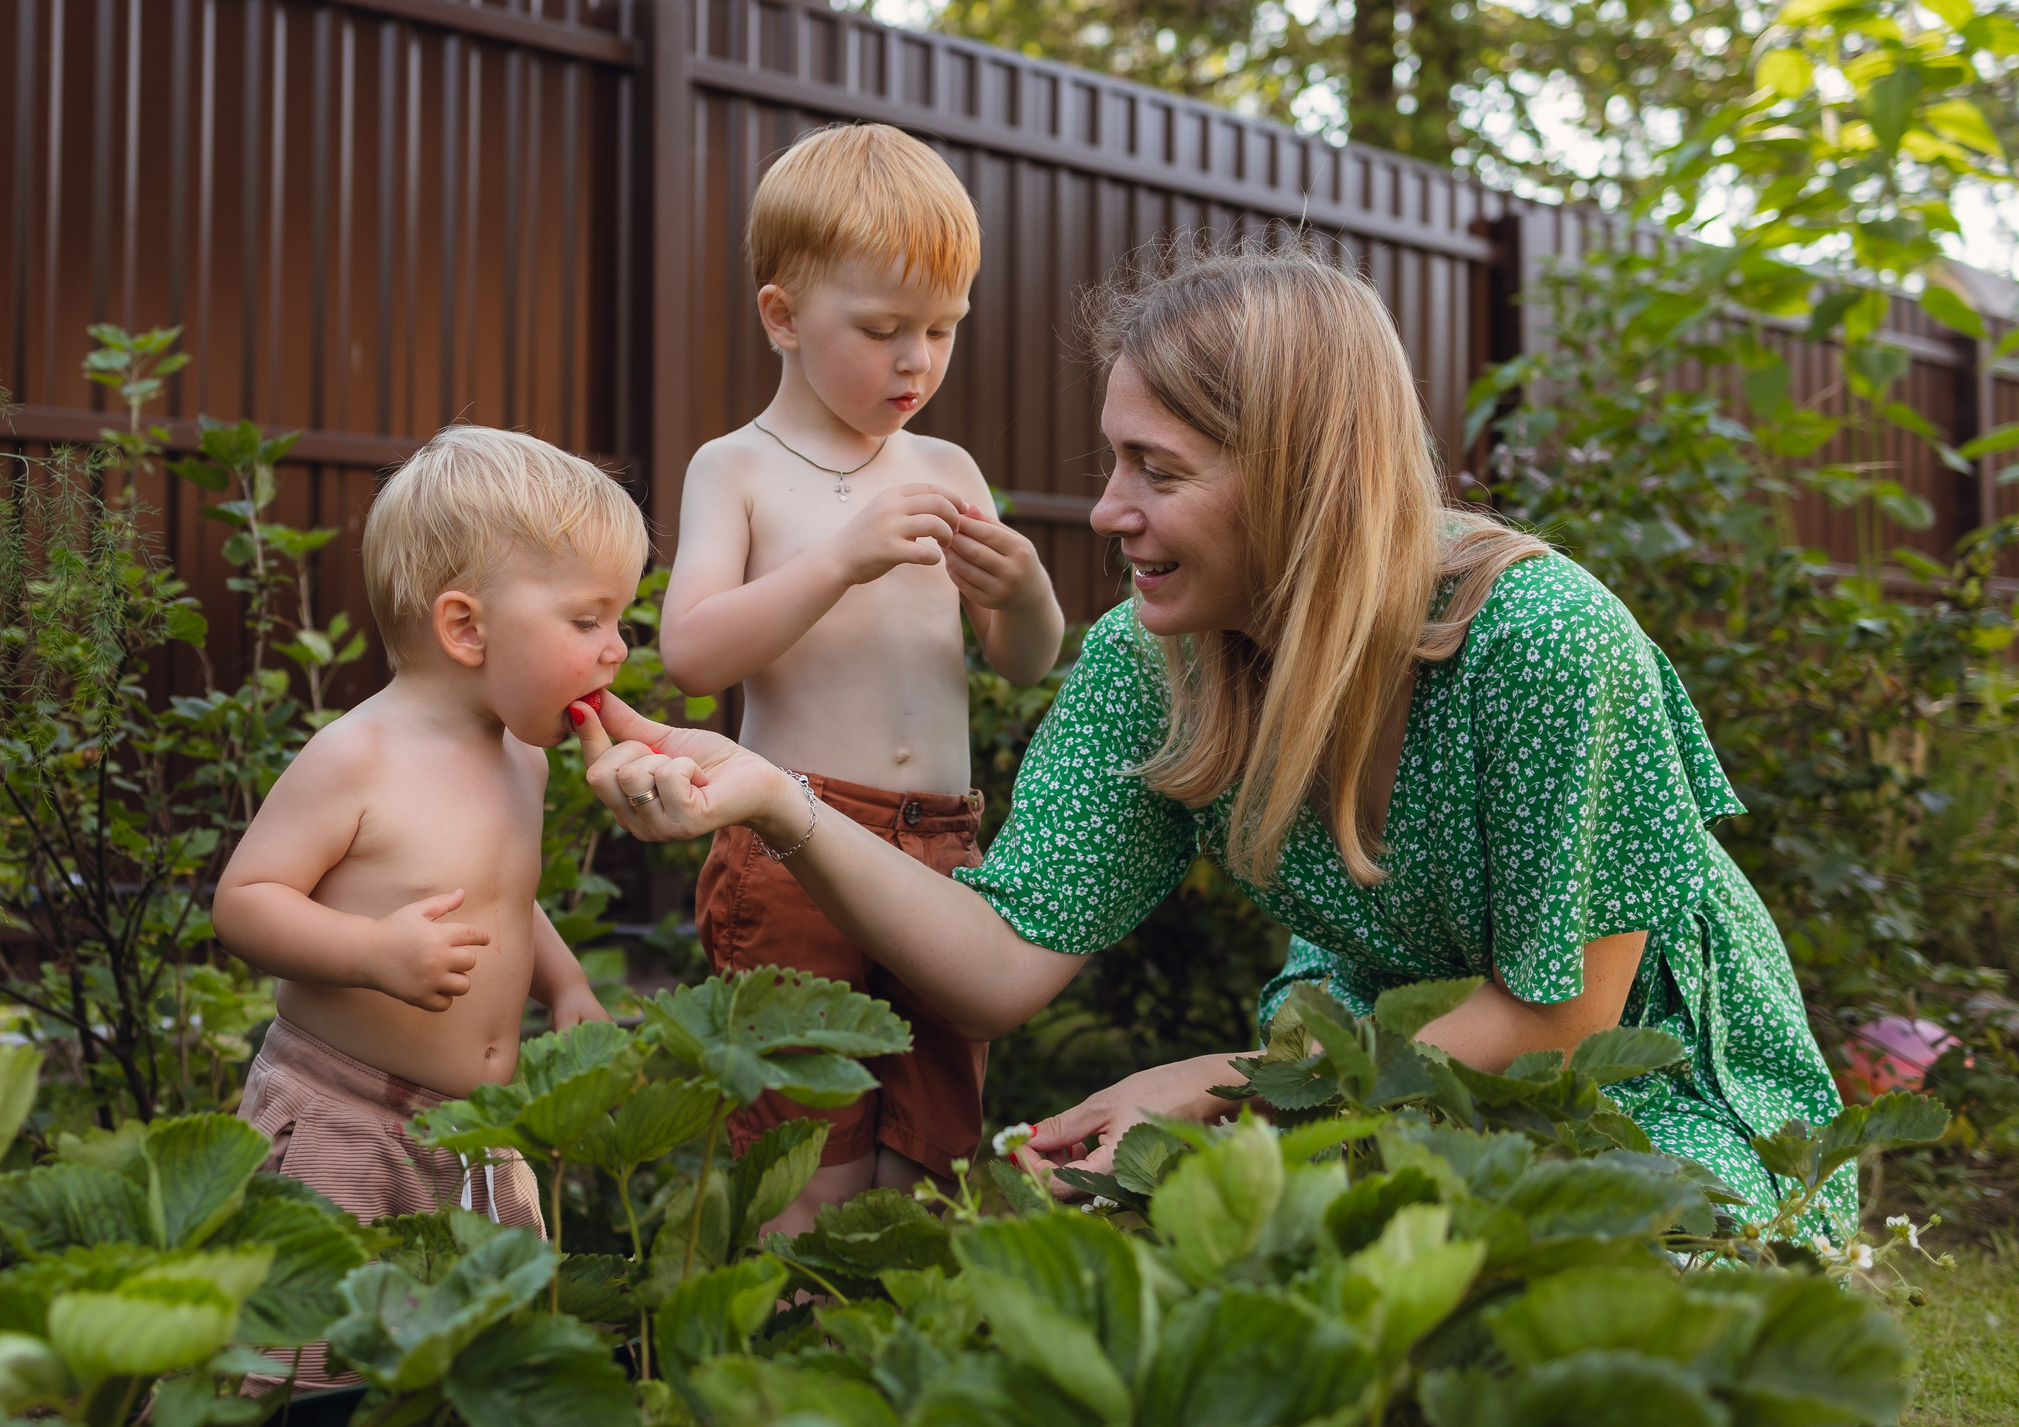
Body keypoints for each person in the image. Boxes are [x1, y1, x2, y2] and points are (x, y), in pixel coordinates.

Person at [574, 240, 1856, 1241]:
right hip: (1356, 1066)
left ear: (1300, 476)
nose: (1105, 510)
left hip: (1645, 1097)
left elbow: (1565, 1019)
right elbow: (998, 963)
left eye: (1157, 470)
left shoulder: (1540, 639)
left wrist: (1223, 1085)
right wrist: (781, 802)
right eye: (1114, 461)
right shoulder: (1157, 658)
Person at [658, 122, 1066, 1232]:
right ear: (782, 316)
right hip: (798, 842)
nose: (915, 361)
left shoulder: (946, 466)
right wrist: (837, 560)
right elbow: (690, 653)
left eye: (942, 328)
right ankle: (791, 1327)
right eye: (883, 329)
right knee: (805, 1158)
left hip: (943, 846)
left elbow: (1019, 661)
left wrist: (1026, 591)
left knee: (931, 1156)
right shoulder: (737, 468)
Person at [215, 426, 632, 1399]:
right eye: (588, 619)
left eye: (619, 619)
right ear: (466, 628)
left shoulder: (522, 757)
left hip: (474, 1133)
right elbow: (245, 901)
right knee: (310, 1365)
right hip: (345, 1121)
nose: (616, 647)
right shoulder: (359, 757)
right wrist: (371, 949)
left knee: (467, 1368)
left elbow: (504, 896)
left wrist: (566, 983)